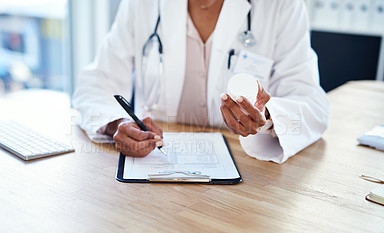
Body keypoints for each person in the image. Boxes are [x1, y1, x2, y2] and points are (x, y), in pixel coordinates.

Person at [73, 0, 329, 163]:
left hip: (250, 179)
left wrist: (269, 116)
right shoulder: (142, 4)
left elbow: (311, 105)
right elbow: (96, 83)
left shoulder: (282, 6)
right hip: (155, 167)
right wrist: (118, 122)